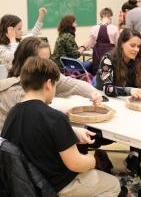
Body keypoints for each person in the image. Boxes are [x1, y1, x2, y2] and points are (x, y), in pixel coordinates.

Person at [1, 56, 120, 197]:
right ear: (48, 84)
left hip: (28, 184)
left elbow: (38, 138)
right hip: (55, 186)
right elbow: (76, 164)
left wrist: (70, 133)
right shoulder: (55, 118)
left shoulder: (12, 114)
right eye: (56, 85)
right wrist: (93, 159)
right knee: (113, 185)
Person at [0, 36, 102, 130]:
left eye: (49, 59)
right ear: (27, 62)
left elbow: (72, 83)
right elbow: (35, 125)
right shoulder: (14, 91)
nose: (48, 64)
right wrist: (65, 125)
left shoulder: (46, 75)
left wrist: (93, 93)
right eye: (42, 61)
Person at [96, 28, 141, 181]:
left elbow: (140, 87)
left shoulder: (137, 61)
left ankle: (134, 159)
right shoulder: (108, 59)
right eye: (132, 45)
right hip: (107, 107)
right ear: (121, 44)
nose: (136, 50)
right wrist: (130, 90)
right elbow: (107, 88)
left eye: (138, 46)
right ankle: (133, 160)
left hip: (125, 107)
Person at [81, 7, 118, 75]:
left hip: (97, 57)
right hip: (110, 57)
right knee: (109, 75)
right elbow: (118, 45)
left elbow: (90, 43)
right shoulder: (115, 29)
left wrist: (81, 49)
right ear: (110, 17)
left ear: (101, 17)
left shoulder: (94, 28)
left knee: (97, 74)